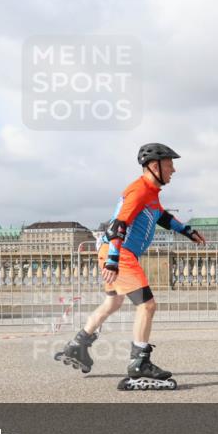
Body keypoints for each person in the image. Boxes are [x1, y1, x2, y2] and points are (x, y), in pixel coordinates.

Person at [55, 143, 206, 388]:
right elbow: (118, 225)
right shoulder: (138, 191)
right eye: (169, 165)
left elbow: (163, 217)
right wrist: (114, 260)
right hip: (121, 253)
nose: (173, 170)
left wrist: (188, 231)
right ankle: (139, 362)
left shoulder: (151, 193)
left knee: (113, 302)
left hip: (114, 251)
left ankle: (78, 345)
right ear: (154, 166)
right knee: (147, 305)